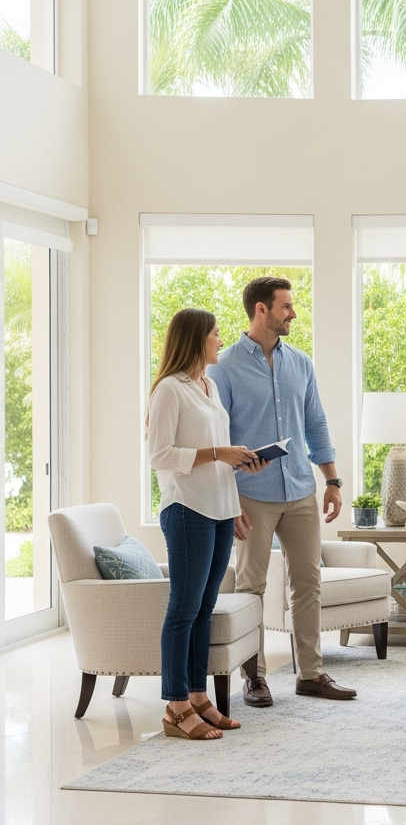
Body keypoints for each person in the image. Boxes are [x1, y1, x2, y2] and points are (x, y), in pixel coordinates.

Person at [209, 276, 354, 705]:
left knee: (308, 583)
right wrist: (228, 500)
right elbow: (217, 435)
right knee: (251, 586)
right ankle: (254, 677)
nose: (293, 313)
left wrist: (332, 480)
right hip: (250, 493)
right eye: (286, 306)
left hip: (300, 490)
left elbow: (316, 424)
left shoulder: (301, 363)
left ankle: (311, 673)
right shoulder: (224, 366)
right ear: (261, 310)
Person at [148, 308, 263, 740]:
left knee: (203, 609)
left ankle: (198, 696)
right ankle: (175, 706)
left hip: (217, 509)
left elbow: (219, 457)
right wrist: (219, 452)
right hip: (187, 510)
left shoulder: (209, 386)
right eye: (215, 335)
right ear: (197, 339)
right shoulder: (169, 391)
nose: (220, 340)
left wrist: (234, 501)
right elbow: (160, 455)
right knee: (183, 608)